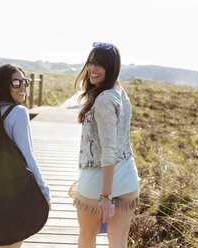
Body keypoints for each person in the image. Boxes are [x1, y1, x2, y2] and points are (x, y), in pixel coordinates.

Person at [69, 42, 140, 248]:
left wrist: (106, 196)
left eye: (99, 65)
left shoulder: (103, 100)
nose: (92, 69)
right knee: (118, 243)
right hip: (127, 179)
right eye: (91, 63)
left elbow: (109, 151)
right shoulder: (120, 92)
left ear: (111, 68)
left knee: (86, 238)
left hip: (99, 180)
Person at [0, 64, 51, 248]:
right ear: (3, 85)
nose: (23, 87)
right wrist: (44, 190)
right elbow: (27, 156)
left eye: (25, 82)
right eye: (16, 82)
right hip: (15, 188)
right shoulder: (19, 112)